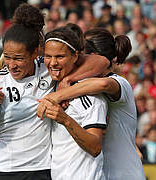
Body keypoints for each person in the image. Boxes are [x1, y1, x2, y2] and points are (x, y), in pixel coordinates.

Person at [0, 4, 109, 180]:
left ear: (35, 53)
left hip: (42, 169)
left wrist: (68, 80)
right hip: (3, 169)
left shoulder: (48, 67)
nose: (12, 65)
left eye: (19, 59)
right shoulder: (0, 81)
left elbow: (101, 61)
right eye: (8, 57)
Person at [38, 28, 146, 180]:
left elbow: (103, 84)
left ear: (91, 57)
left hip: (125, 173)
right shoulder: (82, 85)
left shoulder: (120, 83)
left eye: (82, 56)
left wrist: (59, 93)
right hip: (103, 173)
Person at [38, 26, 108, 180]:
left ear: (75, 57)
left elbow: (95, 147)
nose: (53, 63)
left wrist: (65, 119)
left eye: (60, 56)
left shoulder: (89, 95)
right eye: (48, 56)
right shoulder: (50, 84)